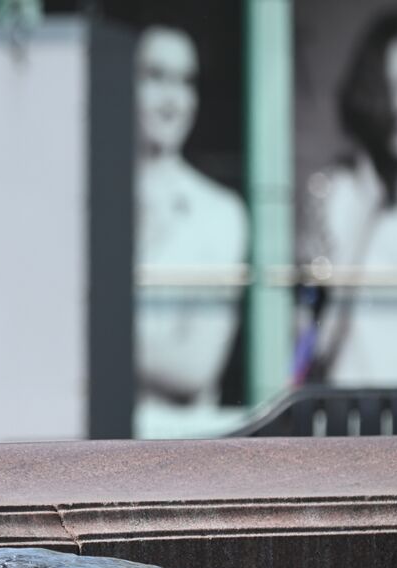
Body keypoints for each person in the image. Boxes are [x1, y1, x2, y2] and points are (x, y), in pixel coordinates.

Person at [304, 7, 397, 386]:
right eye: (383, 90)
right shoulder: (336, 193)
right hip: (359, 430)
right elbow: (313, 347)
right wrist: (363, 212)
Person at [133, 23, 248, 407]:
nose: (173, 99)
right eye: (156, 76)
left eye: (186, 81)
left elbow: (195, 366)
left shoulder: (220, 212)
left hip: (179, 449)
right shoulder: (82, 202)